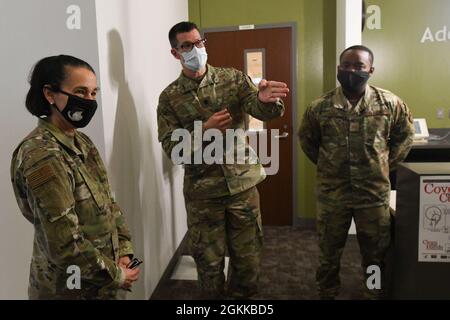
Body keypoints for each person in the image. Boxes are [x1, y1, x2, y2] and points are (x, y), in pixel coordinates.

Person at [157, 21, 289, 299]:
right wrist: (203, 130)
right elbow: (171, 147)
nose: (196, 49)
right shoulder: (169, 98)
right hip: (203, 194)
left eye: (199, 42)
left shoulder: (233, 79)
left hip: (242, 186)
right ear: (175, 53)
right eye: (187, 46)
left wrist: (264, 100)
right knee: (208, 263)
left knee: (248, 258)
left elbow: (260, 109)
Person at [10, 55, 140, 299]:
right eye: (80, 92)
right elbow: (63, 244)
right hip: (68, 289)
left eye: (93, 93)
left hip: (102, 281)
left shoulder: (82, 141)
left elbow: (109, 203)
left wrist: (125, 251)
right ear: (50, 94)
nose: (89, 101)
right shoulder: (41, 155)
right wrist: (118, 275)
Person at [298, 45, 414, 299]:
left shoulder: (390, 104)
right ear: (339, 68)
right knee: (329, 254)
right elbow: (308, 141)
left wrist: (381, 164)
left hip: (372, 195)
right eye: (347, 65)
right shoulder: (320, 107)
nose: (352, 70)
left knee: (375, 256)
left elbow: (404, 139)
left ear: (370, 70)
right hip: (332, 196)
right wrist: (330, 165)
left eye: (359, 66)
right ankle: (327, 293)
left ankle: (372, 294)